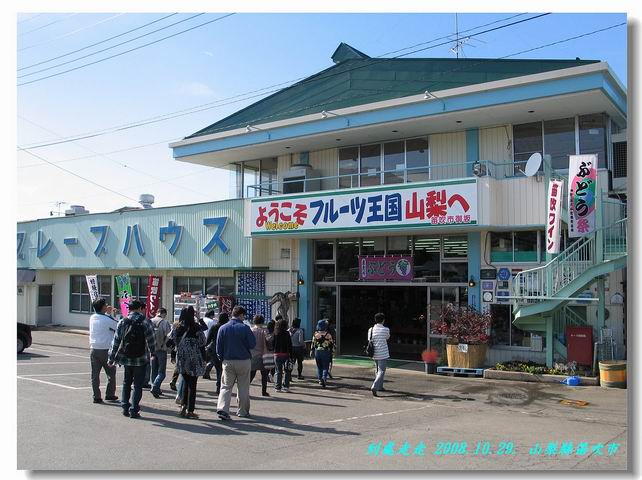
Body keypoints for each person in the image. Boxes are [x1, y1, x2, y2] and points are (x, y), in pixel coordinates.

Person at [108, 300, 156, 419]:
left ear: (129, 309)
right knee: (138, 385)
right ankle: (134, 410)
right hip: (141, 358)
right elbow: (151, 339)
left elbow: (116, 341)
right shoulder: (145, 321)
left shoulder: (123, 321)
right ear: (139, 308)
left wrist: (111, 358)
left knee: (126, 382)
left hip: (126, 357)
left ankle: (125, 407)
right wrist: (153, 352)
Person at [215, 306, 256, 420]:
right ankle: (242, 411)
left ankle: (223, 409)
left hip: (228, 361)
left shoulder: (223, 328)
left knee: (226, 386)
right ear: (241, 315)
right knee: (243, 387)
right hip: (244, 361)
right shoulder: (245, 328)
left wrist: (222, 358)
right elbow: (252, 344)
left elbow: (218, 347)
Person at [170, 306, 207, 419]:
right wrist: (204, 359)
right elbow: (203, 342)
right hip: (194, 359)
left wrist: (174, 354)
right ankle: (190, 410)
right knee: (192, 385)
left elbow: (171, 341)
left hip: (182, 358)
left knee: (185, 382)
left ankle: (183, 406)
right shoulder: (196, 327)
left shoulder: (177, 327)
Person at [89, 298, 118, 404]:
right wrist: (113, 315)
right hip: (106, 349)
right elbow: (117, 326)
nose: (107, 306)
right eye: (105, 305)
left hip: (94, 348)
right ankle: (110, 394)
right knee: (111, 373)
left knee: (95, 375)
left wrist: (108, 313)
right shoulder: (106, 319)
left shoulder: (92, 317)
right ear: (102, 307)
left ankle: (96, 396)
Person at [203, 312, 230, 393]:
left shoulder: (215, 326)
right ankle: (221, 385)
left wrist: (205, 347)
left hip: (214, 349)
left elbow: (208, 339)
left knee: (218, 368)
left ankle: (218, 385)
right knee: (224, 369)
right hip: (226, 349)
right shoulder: (227, 327)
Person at [150, 308, 171, 398]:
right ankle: (155, 386)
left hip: (152, 349)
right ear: (164, 314)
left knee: (154, 369)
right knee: (161, 372)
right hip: (162, 349)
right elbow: (169, 335)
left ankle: (155, 387)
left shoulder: (150, 321)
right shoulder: (165, 322)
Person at [368, 312, 391, 397]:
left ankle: (380, 386)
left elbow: (369, 339)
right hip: (383, 353)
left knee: (377, 370)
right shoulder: (386, 329)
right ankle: (375, 386)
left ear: (375, 320)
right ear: (383, 320)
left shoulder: (371, 329)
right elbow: (387, 337)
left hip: (374, 353)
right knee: (381, 371)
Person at [249, 314, 269, 397]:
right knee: (264, 374)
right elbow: (267, 341)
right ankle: (264, 391)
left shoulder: (251, 330)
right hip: (262, 355)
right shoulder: (264, 331)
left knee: (251, 374)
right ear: (262, 321)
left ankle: (245, 390)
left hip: (252, 355)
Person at [311, 319, 334, 388]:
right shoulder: (328, 335)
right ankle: (324, 378)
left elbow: (313, 344)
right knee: (325, 366)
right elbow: (331, 344)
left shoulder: (316, 334)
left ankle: (320, 379)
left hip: (317, 352)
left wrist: (311, 351)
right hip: (326, 351)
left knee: (319, 366)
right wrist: (332, 351)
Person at [273, 318, 294, 392]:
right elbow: (290, 345)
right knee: (287, 371)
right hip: (285, 354)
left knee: (278, 371)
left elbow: (273, 344)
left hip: (277, 354)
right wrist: (291, 355)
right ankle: (286, 386)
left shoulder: (275, 333)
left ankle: (278, 387)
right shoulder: (287, 333)